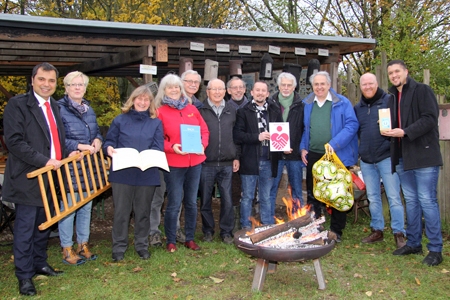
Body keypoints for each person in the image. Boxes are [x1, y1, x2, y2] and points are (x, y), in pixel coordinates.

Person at [3, 62, 65, 296]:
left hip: (50, 179)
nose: (46, 84)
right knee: (26, 229)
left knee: (44, 225)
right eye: (42, 79)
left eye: (51, 81)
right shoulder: (17, 105)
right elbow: (15, 142)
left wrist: (70, 153)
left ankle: (40, 263)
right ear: (32, 80)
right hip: (28, 178)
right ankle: (24, 276)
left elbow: (56, 142)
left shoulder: (55, 106)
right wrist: (44, 161)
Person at [383, 60, 443, 266]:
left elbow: (429, 118)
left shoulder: (422, 90)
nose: (394, 75)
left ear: (406, 72)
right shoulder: (392, 97)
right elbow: (394, 124)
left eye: (397, 71)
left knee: (427, 201)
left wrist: (405, 132)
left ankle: (435, 249)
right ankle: (414, 243)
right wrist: (386, 128)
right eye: (390, 72)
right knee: (411, 201)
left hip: (424, 156)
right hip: (402, 156)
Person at [104, 85, 163, 262]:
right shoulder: (120, 120)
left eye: (147, 100)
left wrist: (147, 156)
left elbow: (158, 146)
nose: (143, 102)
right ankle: (119, 247)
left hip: (147, 172)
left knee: (143, 212)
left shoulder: (155, 122)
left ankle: (141, 245)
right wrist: (109, 148)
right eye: (140, 99)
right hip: (123, 172)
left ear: (151, 103)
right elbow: (110, 141)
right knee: (122, 212)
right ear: (133, 100)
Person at [300, 71, 358, 243]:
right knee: (314, 193)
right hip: (314, 154)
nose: (319, 87)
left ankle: (336, 231)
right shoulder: (307, 103)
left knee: (336, 193)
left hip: (335, 154)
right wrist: (303, 148)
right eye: (316, 84)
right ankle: (315, 226)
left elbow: (352, 124)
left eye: (322, 84)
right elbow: (305, 129)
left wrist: (334, 143)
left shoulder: (342, 102)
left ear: (329, 85)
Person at [154, 74, 209, 252]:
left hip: (195, 162)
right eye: (170, 87)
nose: (174, 90)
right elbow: (156, 139)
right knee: (174, 202)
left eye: (177, 87)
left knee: (192, 202)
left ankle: (190, 238)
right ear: (164, 90)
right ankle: (171, 240)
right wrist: (172, 147)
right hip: (174, 163)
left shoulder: (191, 108)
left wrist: (202, 144)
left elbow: (205, 130)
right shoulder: (159, 111)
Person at [354, 73, 406, 248]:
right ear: (360, 86)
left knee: (393, 196)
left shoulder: (389, 101)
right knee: (373, 197)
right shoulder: (358, 108)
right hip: (367, 160)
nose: (367, 87)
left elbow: (402, 123)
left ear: (377, 83)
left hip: (386, 157)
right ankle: (377, 230)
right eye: (364, 84)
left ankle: (399, 232)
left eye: (371, 83)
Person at [57, 71, 103, 265]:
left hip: (89, 166)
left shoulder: (88, 109)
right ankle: (66, 248)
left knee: (86, 206)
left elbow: (97, 131)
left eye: (81, 85)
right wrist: (77, 146)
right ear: (66, 88)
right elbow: (57, 138)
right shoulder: (58, 108)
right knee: (69, 208)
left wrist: (98, 140)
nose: (77, 88)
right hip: (71, 165)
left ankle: (82, 244)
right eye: (73, 85)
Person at [233, 81, 282, 229]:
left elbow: (281, 132)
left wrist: (283, 145)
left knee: (266, 197)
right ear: (252, 92)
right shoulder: (243, 111)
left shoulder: (274, 110)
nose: (260, 93)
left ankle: (267, 226)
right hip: (249, 160)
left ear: (267, 94)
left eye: (263, 91)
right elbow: (238, 135)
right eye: (257, 90)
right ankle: (246, 226)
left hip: (268, 160)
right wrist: (257, 137)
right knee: (247, 196)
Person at [198, 78, 239, 244]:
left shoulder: (232, 110)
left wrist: (237, 156)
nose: (217, 92)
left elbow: (237, 136)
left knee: (227, 200)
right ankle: (208, 231)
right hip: (206, 162)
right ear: (207, 91)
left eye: (220, 89)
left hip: (227, 163)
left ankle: (226, 232)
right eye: (213, 89)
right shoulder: (200, 110)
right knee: (205, 199)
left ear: (225, 91)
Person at [269, 72, 305, 214]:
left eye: (289, 85)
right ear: (278, 86)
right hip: (275, 155)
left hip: (294, 154)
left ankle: (298, 219)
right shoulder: (270, 103)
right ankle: (268, 221)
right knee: (272, 189)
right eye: (283, 85)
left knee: (296, 189)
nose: (285, 88)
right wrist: (279, 147)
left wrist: (297, 147)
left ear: (294, 87)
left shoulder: (301, 105)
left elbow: (304, 128)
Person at [226, 76, 249, 233]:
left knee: (249, 190)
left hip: (250, 154)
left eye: (241, 87)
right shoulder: (225, 108)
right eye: (234, 87)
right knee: (233, 188)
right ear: (229, 91)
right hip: (232, 154)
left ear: (245, 89)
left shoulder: (253, 107)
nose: (238, 90)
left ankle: (248, 220)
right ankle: (233, 222)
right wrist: (235, 155)